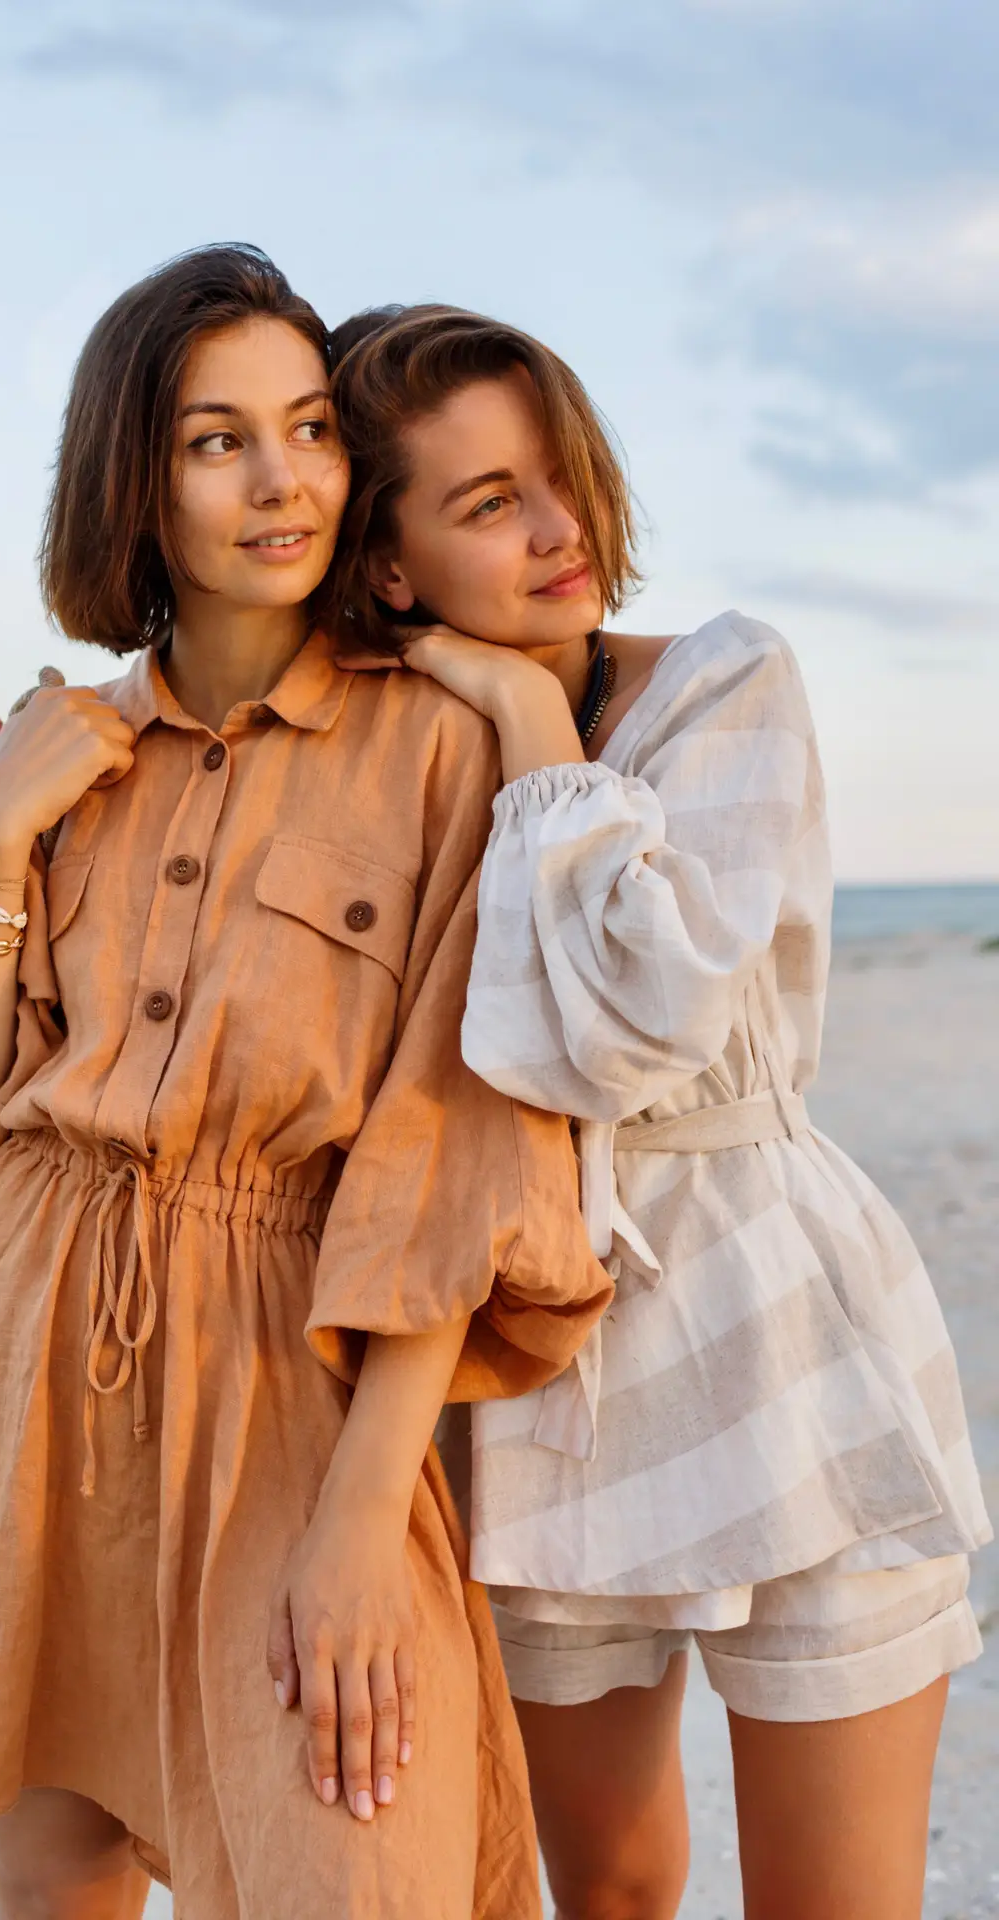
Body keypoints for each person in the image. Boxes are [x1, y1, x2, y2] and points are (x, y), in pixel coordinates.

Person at [0, 250, 611, 1920]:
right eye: (215, 439)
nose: (283, 478)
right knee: (65, 1867)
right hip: (17, 1360)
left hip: (292, 1382)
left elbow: (456, 1155)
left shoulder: (447, 742)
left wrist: (359, 1523)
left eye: (310, 428)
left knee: (355, 1855)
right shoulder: (58, 750)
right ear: (134, 482)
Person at [319, 303, 992, 1920]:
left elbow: (643, 1020)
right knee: (609, 1892)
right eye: (488, 504)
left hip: (788, 1326)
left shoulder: (726, 680)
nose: (561, 533)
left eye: (560, 478)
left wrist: (540, 731)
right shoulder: (396, 750)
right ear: (391, 564)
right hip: (544, 1363)